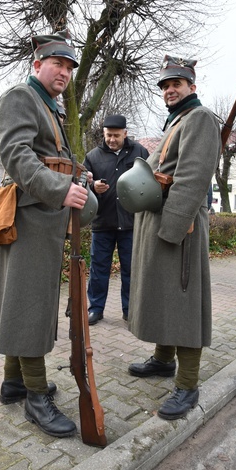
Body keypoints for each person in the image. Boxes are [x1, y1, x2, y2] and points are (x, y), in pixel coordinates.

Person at [0, 29, 90, 438]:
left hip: (44, 218)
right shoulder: (20, 98)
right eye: (57, 63)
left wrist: (78, 178)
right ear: (37, 64)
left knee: (28, 302)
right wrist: (63, 189)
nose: (63, 71)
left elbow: (53, 158)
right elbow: (16, 155)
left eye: (68, 66)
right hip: (26, 217)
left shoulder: (52, 108)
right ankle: (35, 396)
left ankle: (14, 383)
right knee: (29, 306)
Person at [127, 55, 222, 420]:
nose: (169, 90)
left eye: (176, 84)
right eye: (165, 85)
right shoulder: (178, 120)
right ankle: (164, 361)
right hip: (162, 218)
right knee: (165, 294)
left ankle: (187, 384)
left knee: (183, 302)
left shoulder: (199, 118)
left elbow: (193, 178)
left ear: (192, 87)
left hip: (180, 226)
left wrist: (171, 228)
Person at [83, 115, 149, 325]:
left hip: (130, 223)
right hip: (103, 222)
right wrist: (93, 188)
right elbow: (81, 186)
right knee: (98, 270)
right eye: (108, 135)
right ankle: (95, 308)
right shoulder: (93, 157)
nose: (111, 139)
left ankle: (130, 310)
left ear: (125, 133)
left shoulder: (140, 152)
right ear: (103, 133)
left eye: (116, 135)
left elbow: (149, 179)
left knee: (131, 270)